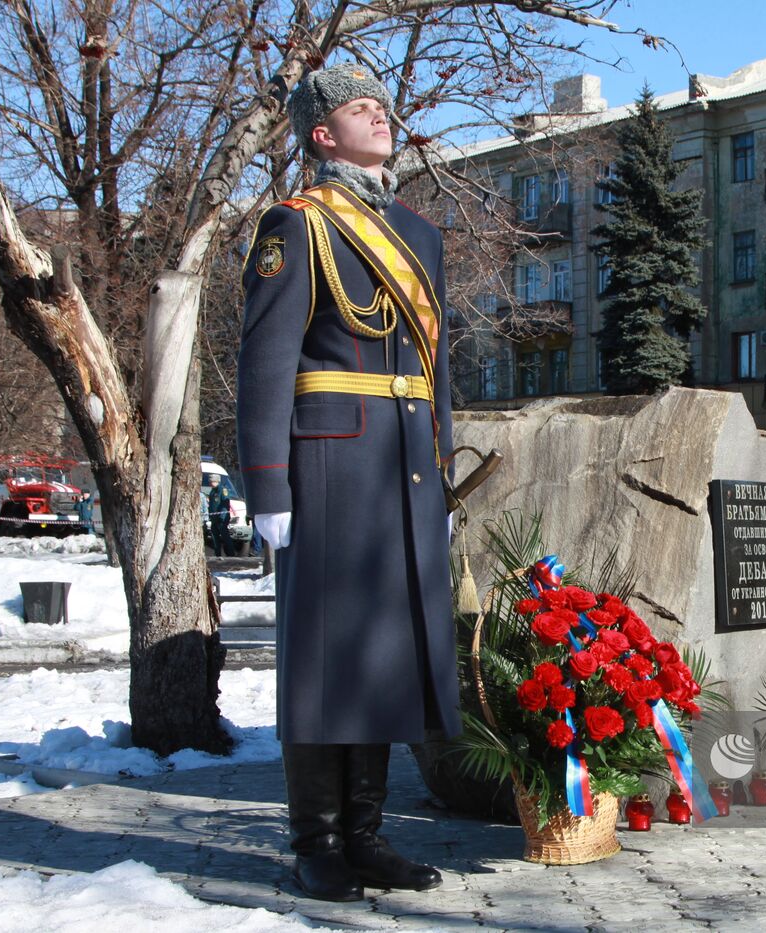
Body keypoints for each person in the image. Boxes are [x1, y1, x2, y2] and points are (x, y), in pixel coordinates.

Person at [236, 64, 460, 902]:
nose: (380, 115)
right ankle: (317, 839)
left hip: (403, 470)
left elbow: (439, 372)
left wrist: (439, 477)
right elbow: (265, 362)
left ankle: (366, 834)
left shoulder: (418, 232)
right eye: (359, 108)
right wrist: (268, 487)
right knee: (325, 660)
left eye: (380, 105)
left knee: (383, 659)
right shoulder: (295, 225)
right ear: (322, 134)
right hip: (328, 463)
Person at [206, 475, 231, 557]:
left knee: (225, 537)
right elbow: (211, 505)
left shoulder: (222, 490)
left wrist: (222, 517)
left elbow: (225, 504)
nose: (210, 483)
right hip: (214, 519)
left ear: (216, 481)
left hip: (221, 519)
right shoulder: (212, 491)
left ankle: (230, 554)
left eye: (211, 481)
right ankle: (217, 555)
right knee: (215, 538)